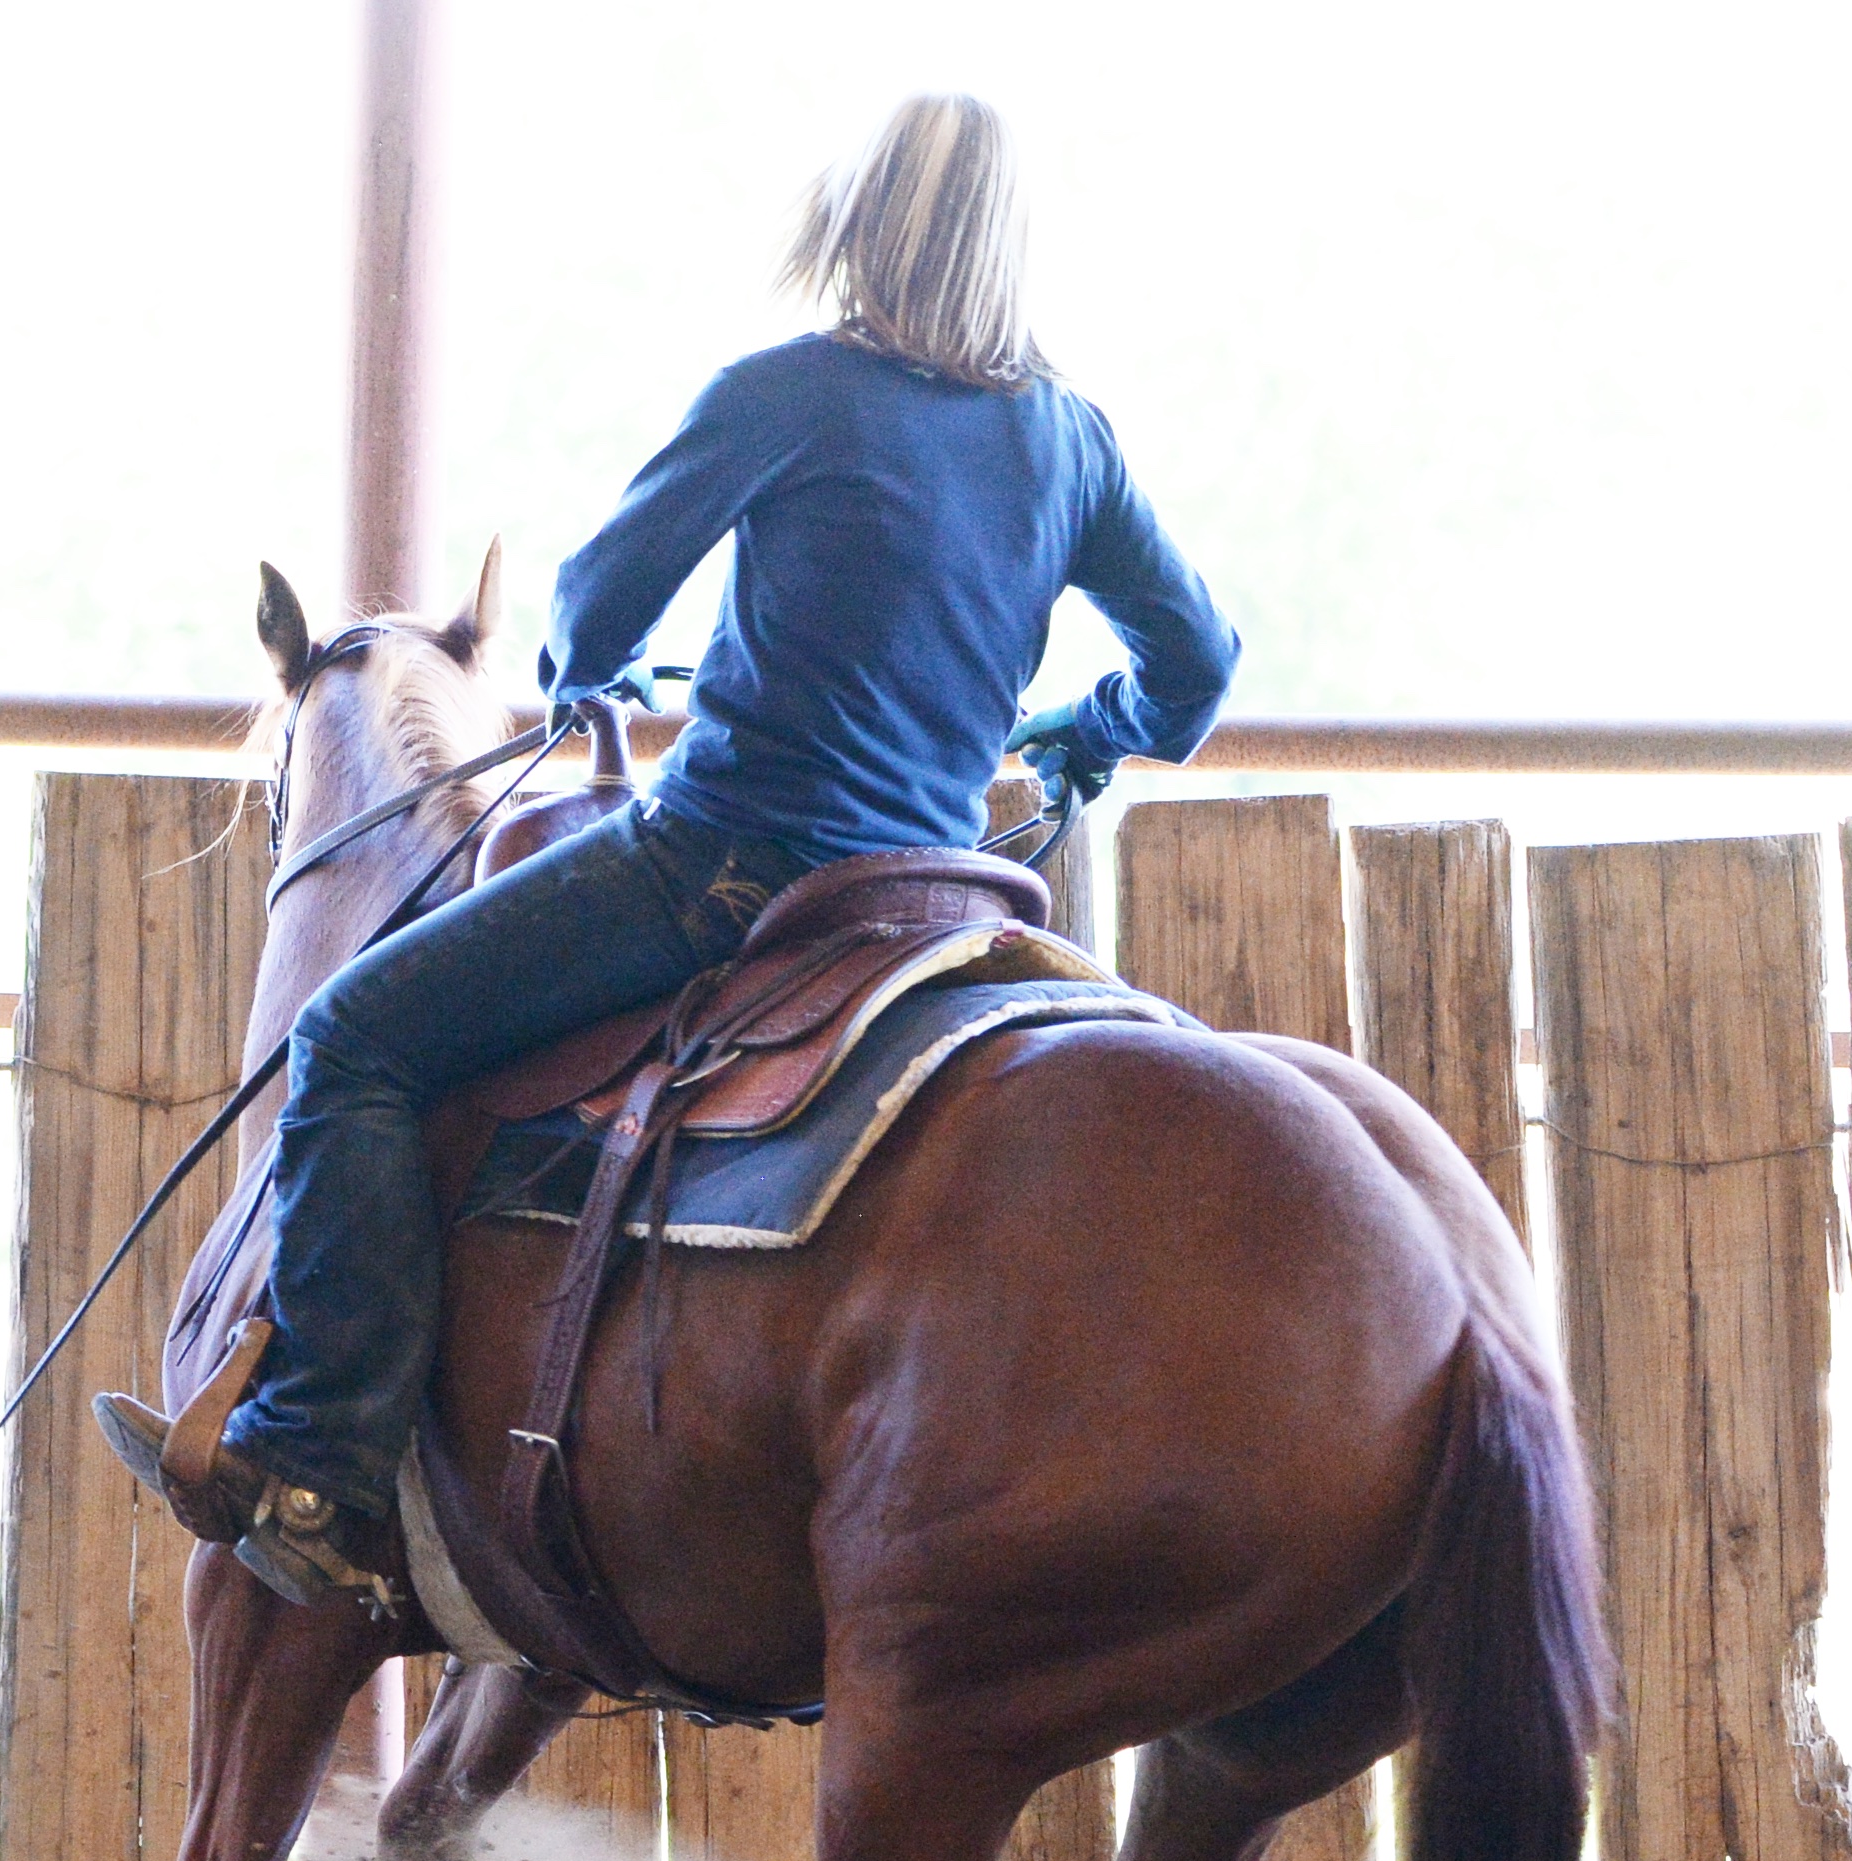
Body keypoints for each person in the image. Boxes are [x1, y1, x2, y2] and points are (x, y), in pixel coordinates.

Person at [196, 91, 1241, 1607]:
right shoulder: (1067, 441)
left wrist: (598, 667)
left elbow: (596, 605)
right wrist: (1091, 724)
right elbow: (1195, 666)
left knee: (352, 1036)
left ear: (858, 225)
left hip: (729, 868)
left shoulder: (791, 393)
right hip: (937, 904)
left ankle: (318, 1459)